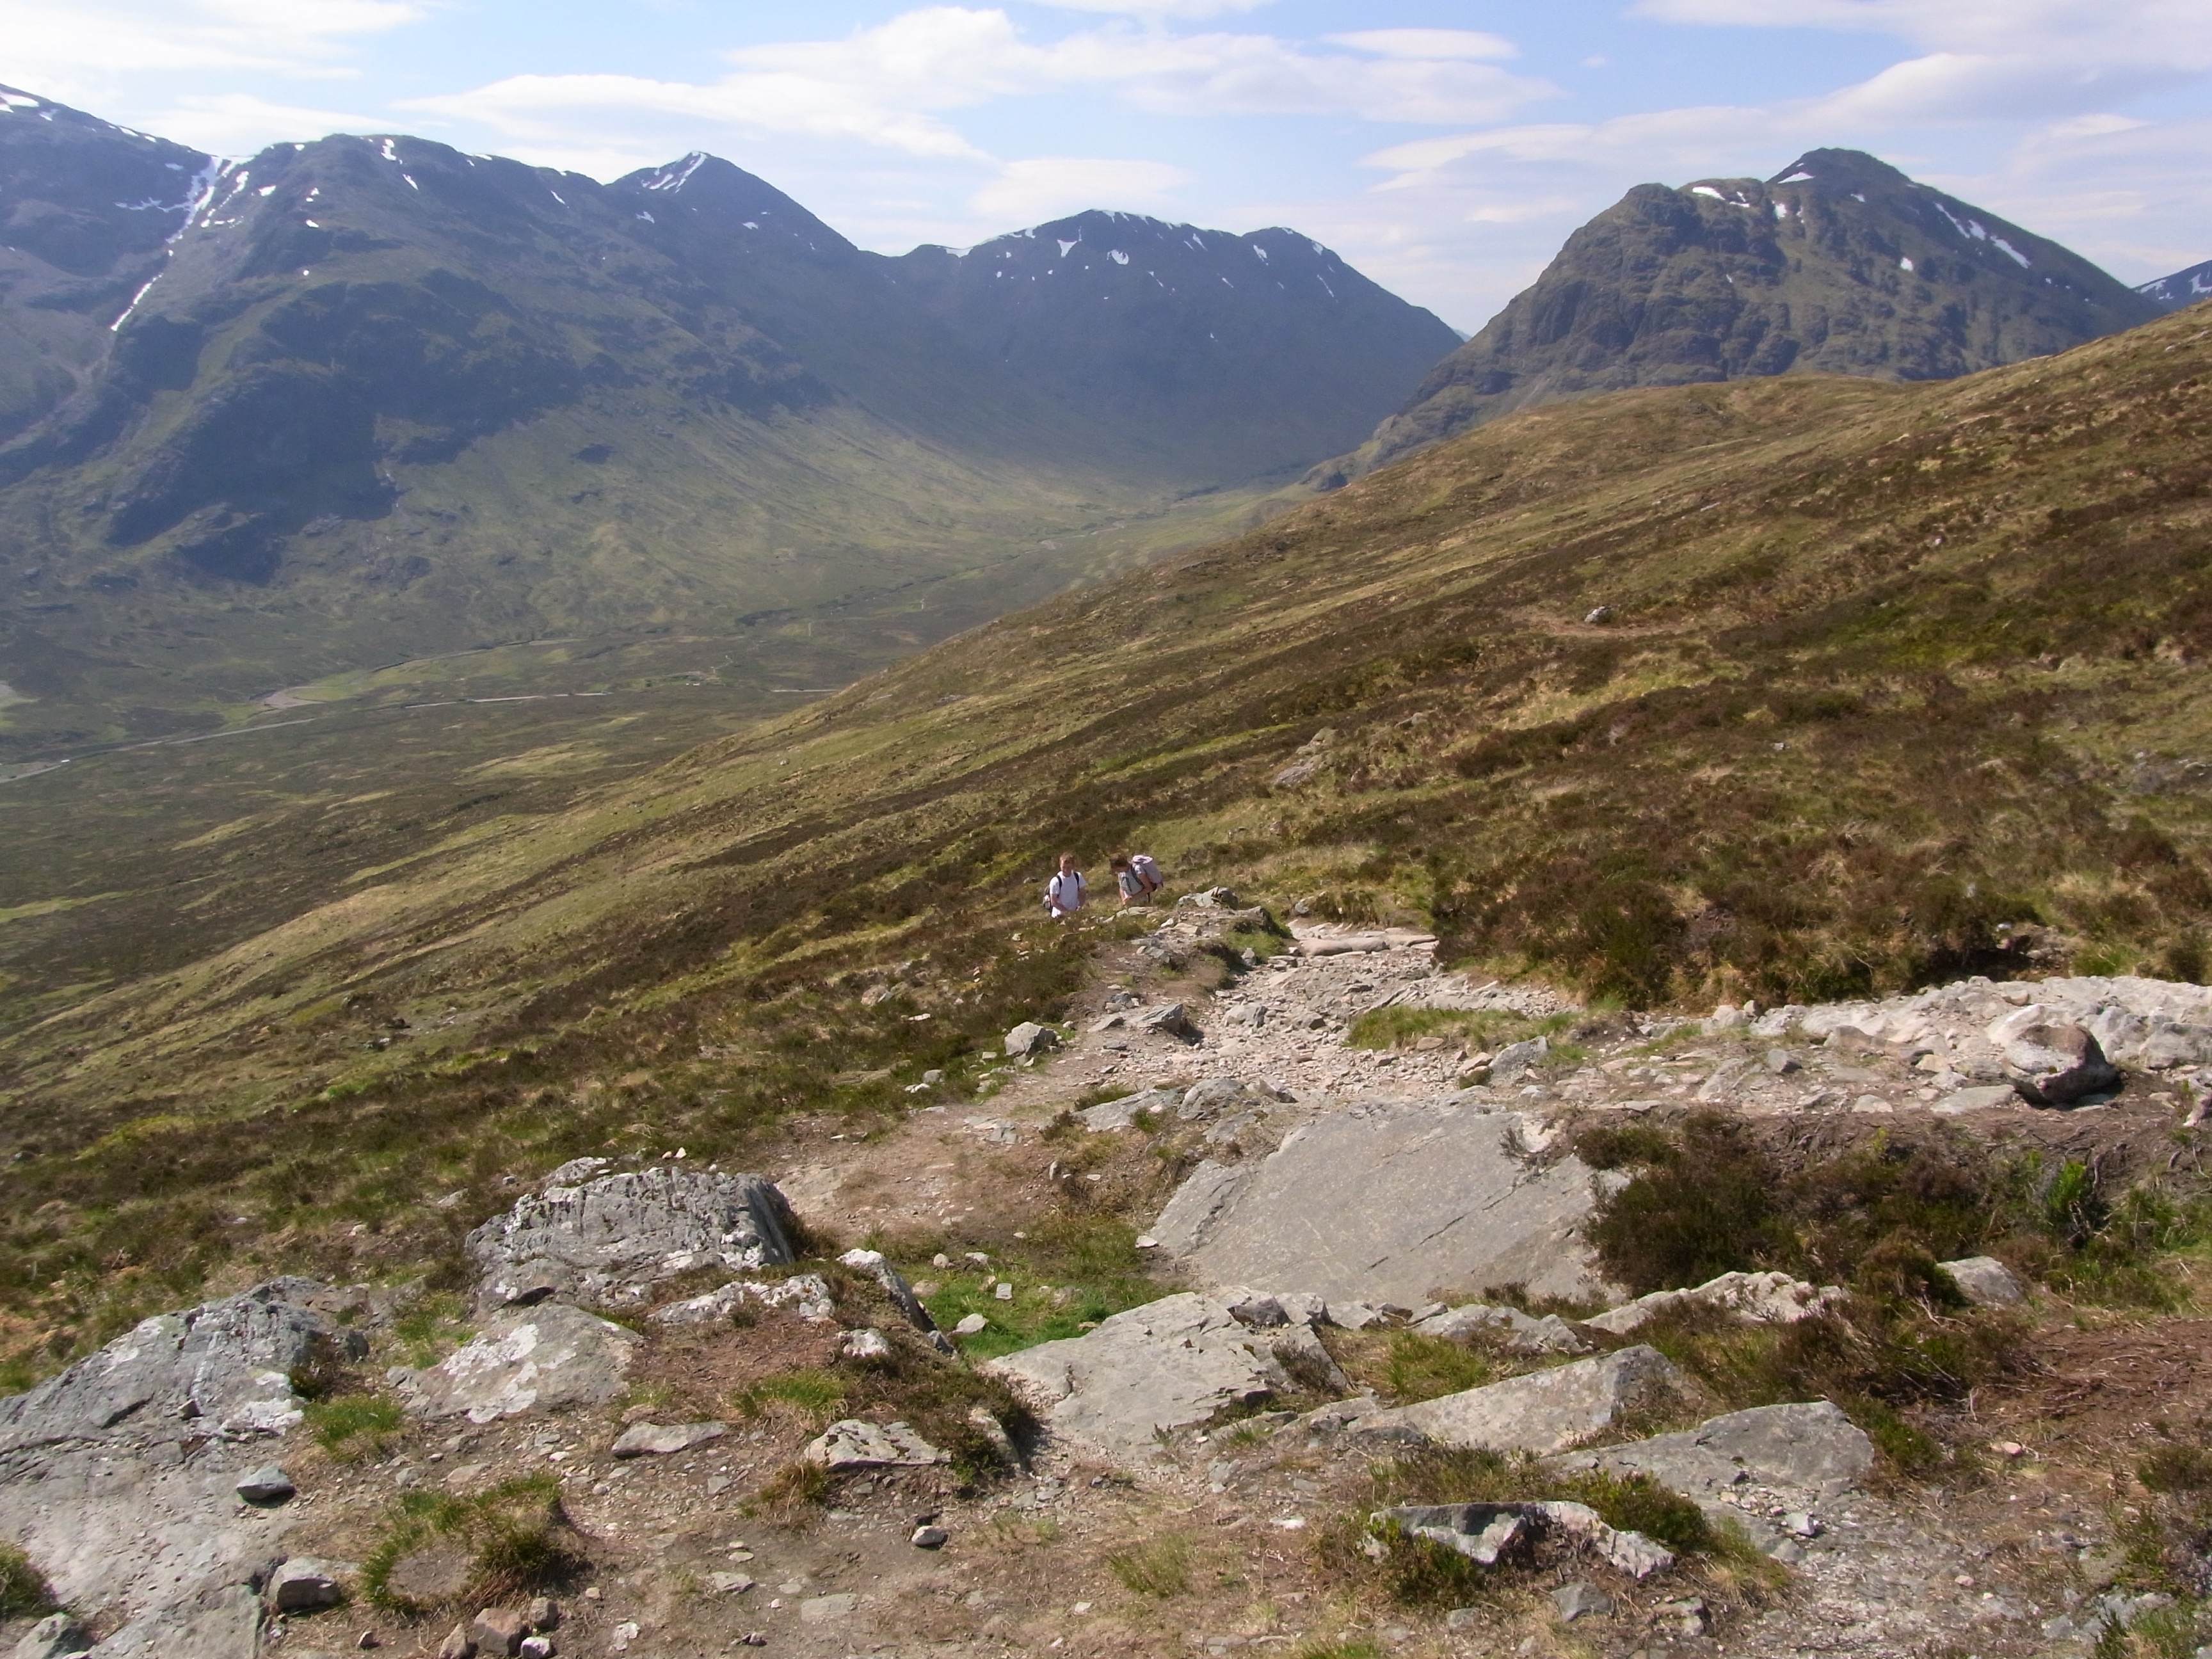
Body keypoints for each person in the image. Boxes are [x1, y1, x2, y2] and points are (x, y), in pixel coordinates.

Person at [1045, 853, 1087, 920]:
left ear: (1073, 866)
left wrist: (1080, 906)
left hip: (1075, 914)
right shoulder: (1056, 881)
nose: (1066, 870)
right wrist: (1067, 912)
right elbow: (1054, 902)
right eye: (1064, 867)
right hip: (1059, 916)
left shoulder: (1078, 877)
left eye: (1068, 867)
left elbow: (1083, 894)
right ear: (1060, 866)